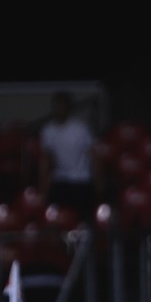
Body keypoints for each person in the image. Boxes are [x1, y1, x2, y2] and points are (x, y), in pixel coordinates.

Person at [38, 90, 102, 225]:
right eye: (57, 106)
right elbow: (46, 160)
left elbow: (93, 156)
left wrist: (98, 182)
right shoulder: (48, 131)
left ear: (69, 108)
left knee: (82, 220)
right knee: (58, 219)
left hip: (81, 181)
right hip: (60, 180)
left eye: (63, 106)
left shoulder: (81, 129)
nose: (60, 109)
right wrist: (43, 185)